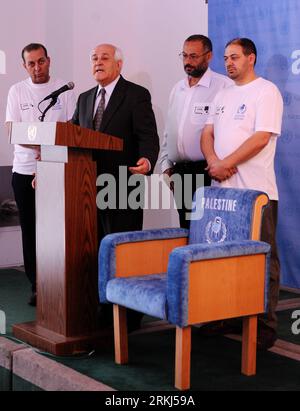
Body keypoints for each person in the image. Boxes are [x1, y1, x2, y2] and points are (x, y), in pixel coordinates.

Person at [201, 38, 283, 349]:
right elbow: (207, 133)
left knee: (262, 259)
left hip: (255, 192)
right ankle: (227, 314)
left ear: (251, 58)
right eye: (225, 58)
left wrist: (226, 163)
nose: (228, 62)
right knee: (224, 258)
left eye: (234, 57)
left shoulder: (267, 91)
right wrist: (213, 162)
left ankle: (264, 323)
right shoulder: (222, 94)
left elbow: (261, 138)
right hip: (223, 191)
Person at [72, 43, 159, 330]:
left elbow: (147, 135)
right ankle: (100, 306)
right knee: (94, 249)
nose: (98, 62)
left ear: (119, 64)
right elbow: (73, 137)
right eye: (94, 58)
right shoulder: (84, 98)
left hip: (124, 184)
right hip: (87, 188)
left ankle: (129, 313)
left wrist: (147, 160)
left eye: (104, 58)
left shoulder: (135, 95)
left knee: (123, 251)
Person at [5, 43, 77, 306]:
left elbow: (71, 128)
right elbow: (12, 129)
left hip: (57, 169)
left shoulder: (65, 91)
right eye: (31, 63)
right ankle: (36, 284)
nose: (37, 68)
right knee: (31, 230)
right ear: (25, 66)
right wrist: (40, 146)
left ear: (49, 60)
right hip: (24, 170)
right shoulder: (17, 91)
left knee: (57, 230)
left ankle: (59, 282)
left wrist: (48, 150)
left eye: (41, 61)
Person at [159, 35, 232, 228]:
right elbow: (170, 130)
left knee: (206, 229)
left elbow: (229, 132)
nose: (187, 62)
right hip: (179, 172)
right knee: (185, 228)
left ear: (208, 57)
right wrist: (166, 165)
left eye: (193, 56)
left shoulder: (223, 86)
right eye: (184, 56)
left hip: (207, 171)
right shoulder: (178, 88)